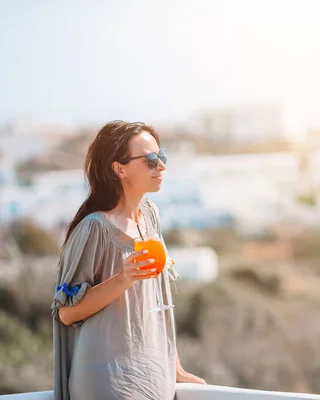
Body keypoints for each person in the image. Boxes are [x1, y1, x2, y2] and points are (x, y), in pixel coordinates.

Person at [51, 121, 206, 400]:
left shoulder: (150, 216)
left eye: (162, 157)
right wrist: (123, 279)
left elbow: (157, 301)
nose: (161, 166)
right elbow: (67, 313)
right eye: (150, 160)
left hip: (154, 378)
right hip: (107, 382)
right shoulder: (93, 228)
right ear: (119, 169)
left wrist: (176, 368)